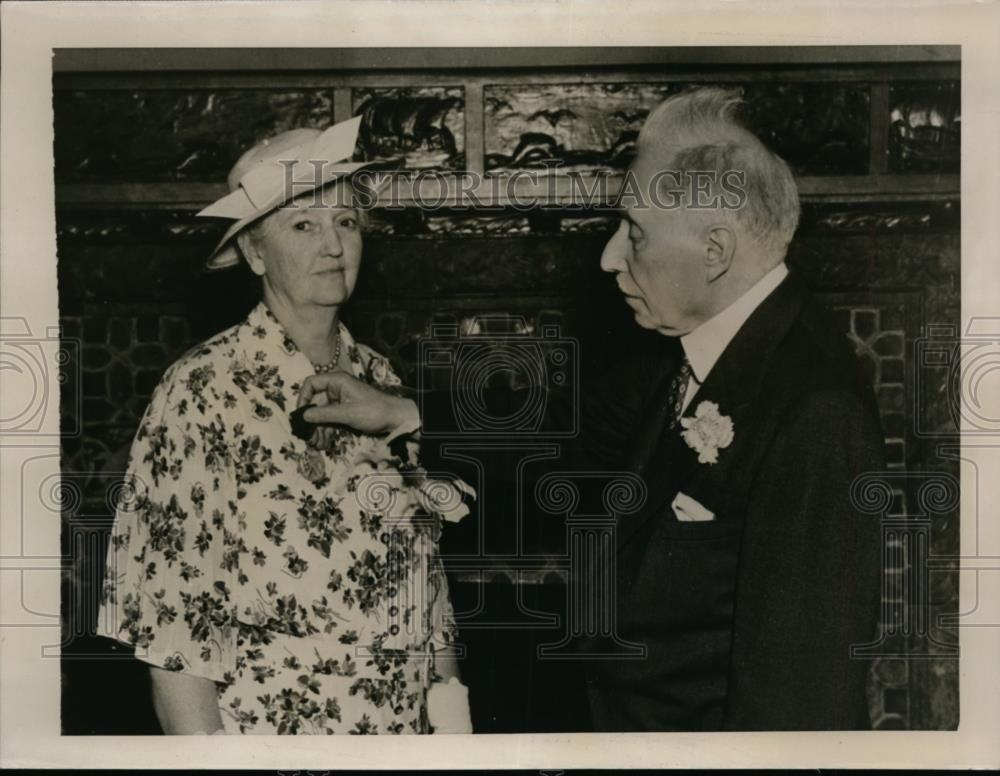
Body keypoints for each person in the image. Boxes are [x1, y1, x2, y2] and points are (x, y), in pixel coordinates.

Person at [298, 87, 886, 731]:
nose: (609, 257)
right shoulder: (688, 347)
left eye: (634, 232)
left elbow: (797, 708)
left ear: (714, 251)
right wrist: (403, 413)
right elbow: (567, 441)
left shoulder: (816, 411)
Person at [98, 117, 472, 735]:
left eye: (346, 223)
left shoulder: (382, 381)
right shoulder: (204, 389)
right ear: (253, 251)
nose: (334, 246)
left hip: (406, 735)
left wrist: (454, 729)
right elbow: (175, 632)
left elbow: (428, 586)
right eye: (304, 225)